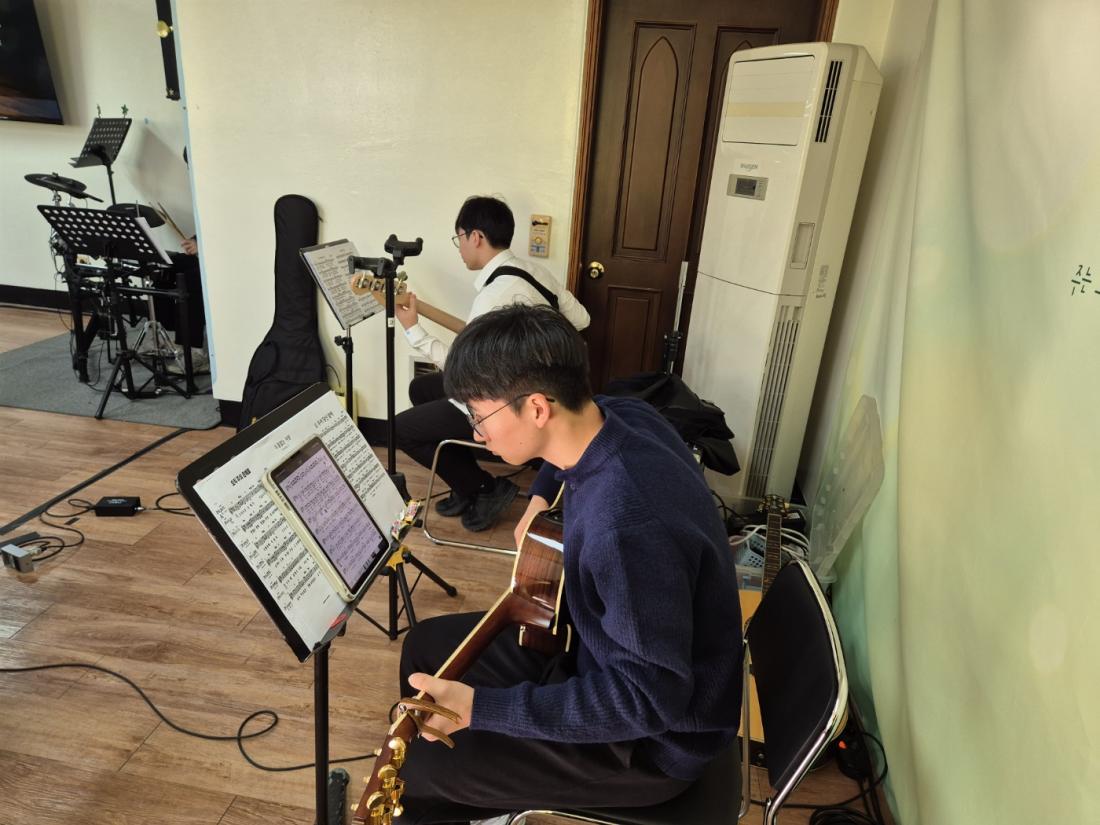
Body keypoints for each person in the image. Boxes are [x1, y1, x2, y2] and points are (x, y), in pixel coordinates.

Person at [391, 303, 743, 824]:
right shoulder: (625, 416)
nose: (478, 434)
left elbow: (648, 700)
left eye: (479, 417)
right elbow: (593, 417)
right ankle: (469, 794)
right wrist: (540, 494)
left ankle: (449, 799)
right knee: (425, 646)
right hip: (600, 650)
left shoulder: (625, 525)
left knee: (416, 769)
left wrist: (483, 710)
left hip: (654, 743)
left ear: (537, 408)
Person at [394, 196, 589, 532]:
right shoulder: (533, 272)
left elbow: (463, 370)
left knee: (402, 430)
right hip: (541, 383)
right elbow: (582, 319)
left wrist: (413, 330)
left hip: (510, 397)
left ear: (476, 237)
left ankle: (485, 488)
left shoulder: (495, 295)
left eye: (459, 238)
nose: (459, 248)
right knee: (421, 388)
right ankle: (464, 482)